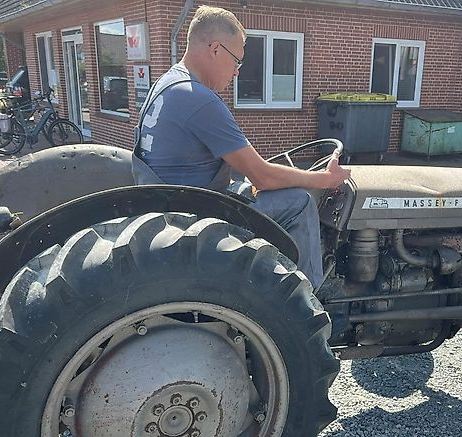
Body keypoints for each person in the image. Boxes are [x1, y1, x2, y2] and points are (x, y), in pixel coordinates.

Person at [132, 5, 351, 288]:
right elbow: (264, 176)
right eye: (237, 61)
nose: (236, 71)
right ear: (215, 49)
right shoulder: (198, 98)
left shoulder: (166, 83)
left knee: (250, 184)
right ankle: (307, 301)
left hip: (173, 201)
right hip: (194, 214)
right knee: (299, 203)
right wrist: (323, 179)